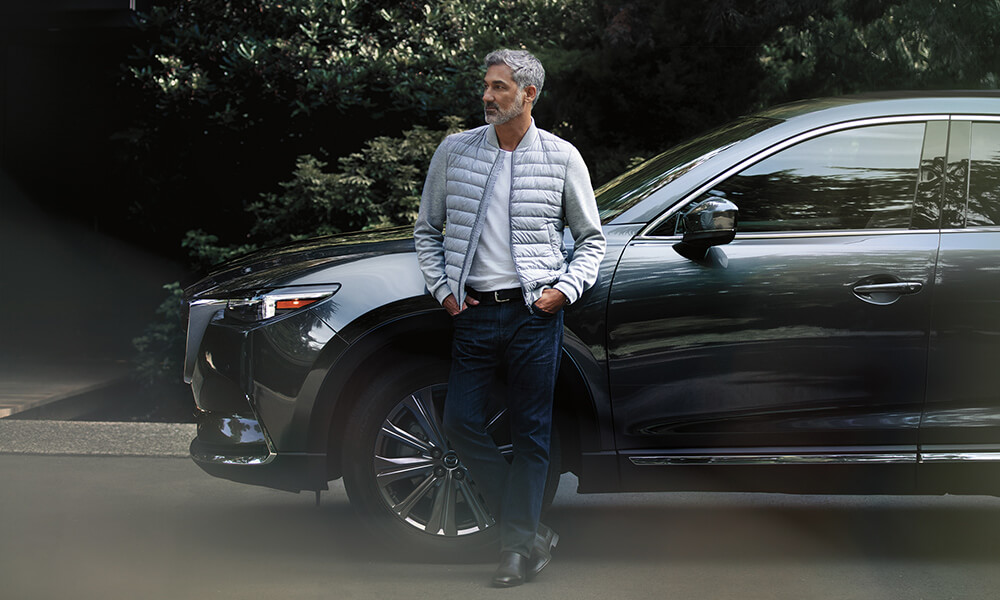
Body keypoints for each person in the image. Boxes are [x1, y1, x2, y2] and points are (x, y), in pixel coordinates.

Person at [413, 49, 606, 587]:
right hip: (473, 313)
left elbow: (591, 240)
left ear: (529, 94)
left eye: (499, 87)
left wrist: (563, 291)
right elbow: (427, 230)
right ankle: (527, 530)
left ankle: (517, 551)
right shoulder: (455, 151)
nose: (487, 96)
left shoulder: (562, 157)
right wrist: (445, 292)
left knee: (531, 435)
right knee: (459, 423)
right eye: (487, 85)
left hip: (533, 316)